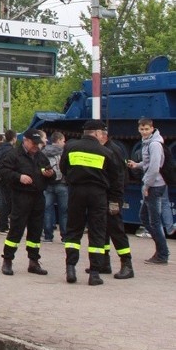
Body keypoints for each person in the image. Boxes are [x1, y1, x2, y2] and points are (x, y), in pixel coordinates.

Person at [60, 119, 122, 286]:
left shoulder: (70, 147)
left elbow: (63, 168)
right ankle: (94, 273)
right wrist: (114, 200)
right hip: (98, 194)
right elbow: (115, 179)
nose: (103, 135)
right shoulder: (105, 152)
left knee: (73, 231)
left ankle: (71, 269)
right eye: (101, 132)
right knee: (97, 232)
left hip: (76, 192)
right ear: (96, 133)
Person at [0, 128, 53, 275]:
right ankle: (7, 260)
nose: (36, 146)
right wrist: (19, 177)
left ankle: (33, 261)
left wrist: (49, 175)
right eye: (33, 143)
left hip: (38, 197)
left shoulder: (40, 156)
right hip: (21, 196)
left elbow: (50, 175)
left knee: (35, 231)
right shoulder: (14, 155)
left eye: (38, 144)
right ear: (26, 141)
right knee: (16, 230)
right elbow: (3, 172)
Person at [87, 125, 134, 279]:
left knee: (116, 230)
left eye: (96, 134)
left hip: (112, 196)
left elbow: (119, 178)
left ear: (103, 135)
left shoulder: (112, 151)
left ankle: (127, 264)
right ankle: (103, 262)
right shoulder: (104, 149)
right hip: (103, 195)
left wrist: (114, 201)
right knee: (103, 229)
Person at [129, 117, 170, 264]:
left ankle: (162, 253)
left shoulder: (154, 144)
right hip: (153, 184)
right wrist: (137, 165)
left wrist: (146, 185)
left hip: (154, 185)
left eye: (147, 129)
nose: (144, 132)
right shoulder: (148, 142)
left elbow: (154, 167)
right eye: (142, 129)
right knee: (145, 218)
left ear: (152, 128)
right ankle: (162, 249)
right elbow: (148, 163)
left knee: (153, 221)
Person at [42, 130, 68, 242]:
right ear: (58, 140)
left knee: (47, 210)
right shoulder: (64, 152)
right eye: (63, 140)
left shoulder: (43, 152)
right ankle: (65, 236)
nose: (64, 143)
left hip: (48, 184)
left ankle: (48, 235)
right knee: (64, 211)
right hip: (62, 184)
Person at [0, 129, 17, 232]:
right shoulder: (10, 150)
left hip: (1, 178)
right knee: (8, 203)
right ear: (14, 138)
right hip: (8, 179)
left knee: (4, 201)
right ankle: (3, 225)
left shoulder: (1, 149)